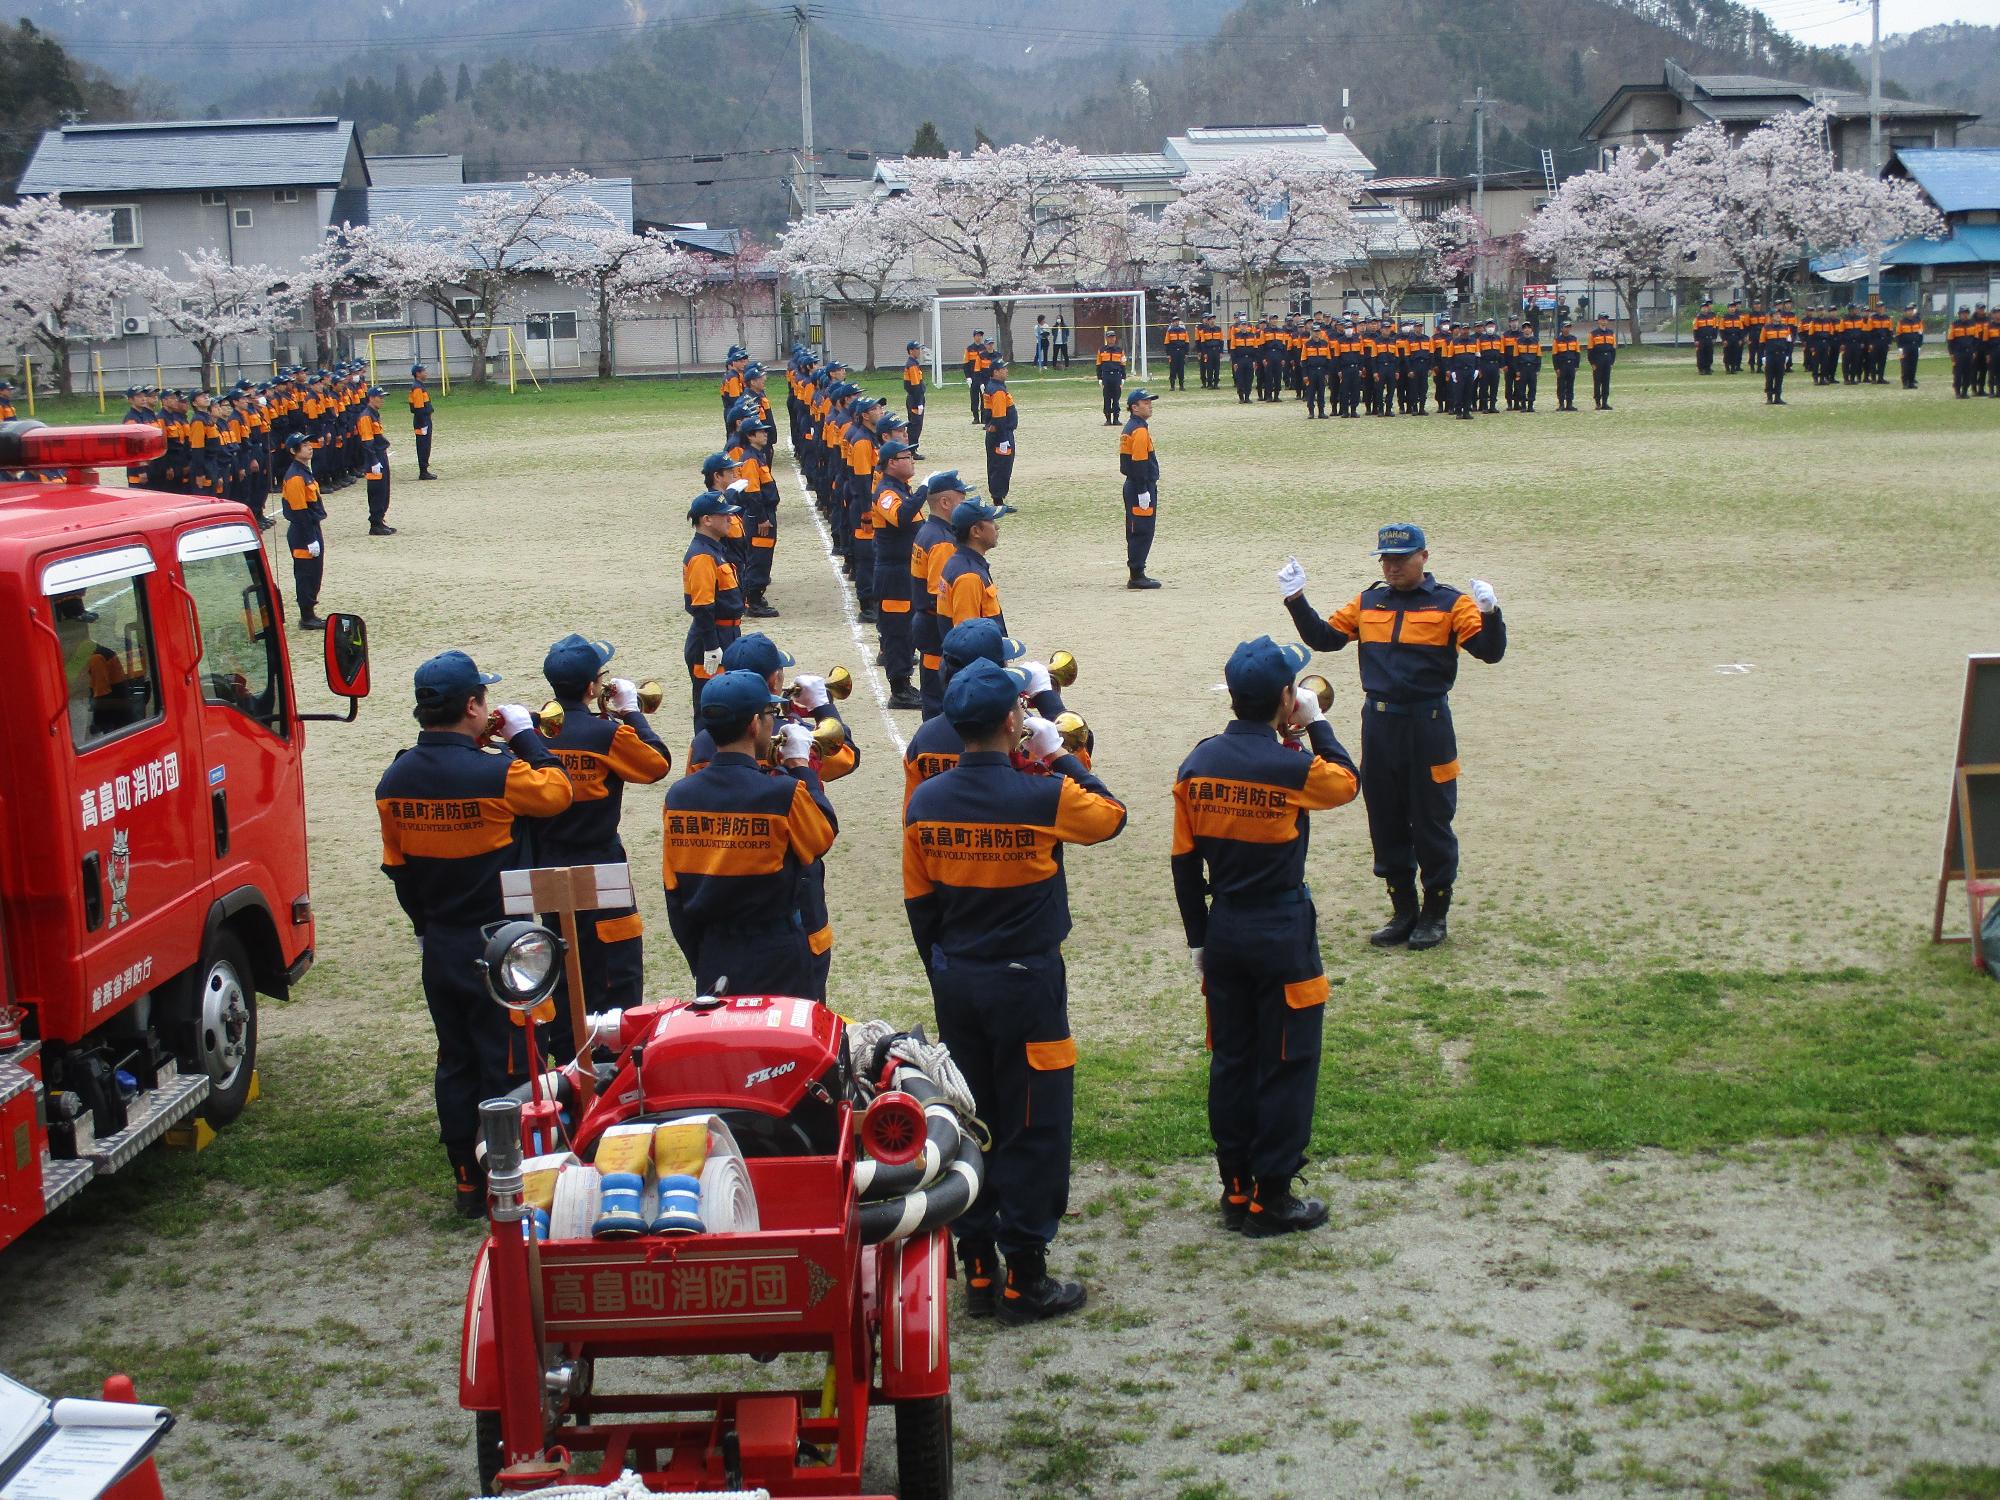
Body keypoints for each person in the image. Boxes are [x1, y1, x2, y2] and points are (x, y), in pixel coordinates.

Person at [903, 657, 1127, 1323]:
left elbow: (921, 907)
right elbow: (1112, 817)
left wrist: (945, 968)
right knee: (1035, 1122)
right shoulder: (1043, 794)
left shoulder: (924, 802)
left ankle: (976, 1266)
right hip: (1026, 980)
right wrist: (1059, 756)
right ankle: (1025, 1276)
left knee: (973, 1119)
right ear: (1012, 720)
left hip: (958, 978)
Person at [1172, 636, 1359, 1236]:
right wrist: (1319, 724)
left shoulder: (1197, 763)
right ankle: (1272, 1197)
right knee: (1287, 1060)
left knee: (1231, 1061)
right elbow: (1347, 784)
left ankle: (1235, 1187)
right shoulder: (1293, 765)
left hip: (1224, 927)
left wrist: (1200, 938)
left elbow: (1183, 863)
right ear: (1285, 697)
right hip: (1281, 930)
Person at [376, 650, 574, 1213]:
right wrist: (526, 738)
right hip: (503, 947)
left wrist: (426, 928)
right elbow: (558, 791)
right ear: (471, 706)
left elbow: (399, 870)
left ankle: (466, 1178)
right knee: (511, 1061)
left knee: (454, 1059)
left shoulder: (394, 778)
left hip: (439, 941)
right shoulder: (497, 772)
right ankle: (510, 1181)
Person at [1279, 524, 1507, 951]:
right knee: (1384, 819)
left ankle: (1435, 913)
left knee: (1431, 821)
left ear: (1425, 556)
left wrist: (1491, 613)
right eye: (1385, 559)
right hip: (1380, 726)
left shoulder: (1452, 604)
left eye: (1401, 558)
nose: (1393, 566)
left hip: (1428, 727)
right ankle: (1403, 910)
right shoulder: (1369, 601)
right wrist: (1296, 599)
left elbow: (1489, 652)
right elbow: (1326, 639)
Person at [663, 669, 836, 997]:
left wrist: (702, 958)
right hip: (777, 952)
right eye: (770, 714)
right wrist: (800, 766)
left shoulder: (678, 797)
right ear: (755, 724)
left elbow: (674, 892)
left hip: (714, 951)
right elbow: (822, 835)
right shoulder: (782, 793)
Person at [534, 634, 671, 1028]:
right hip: (600, 863)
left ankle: (566, 1049)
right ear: (592, 687)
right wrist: (631, 712)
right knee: (615, 968)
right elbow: (657, 763)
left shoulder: (532, 730)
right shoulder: (606, 733)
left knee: (561, 962)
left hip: (545, 863)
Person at [870, 437, 928, 709]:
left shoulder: (901, 489)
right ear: (891, 463)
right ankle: (898, 688)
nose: (912, 460)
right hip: (893, 574)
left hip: (905, 572)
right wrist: (923, 492)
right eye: (907, 457)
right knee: (896, 631)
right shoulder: (886, 492)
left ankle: (905, 681)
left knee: (908, 629)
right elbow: (901, 517)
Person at [682, 490, 745, 726]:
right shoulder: (702, 556)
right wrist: (711, 646)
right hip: (712, 637)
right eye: (724, 515)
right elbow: (702, 606)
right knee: (710, 707)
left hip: (725, 634)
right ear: (707, 520)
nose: (730, 519)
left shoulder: (714, 549)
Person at [911, 471, 968, 718]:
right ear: (945, 503)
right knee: (938, 699)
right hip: (937, 628)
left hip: (926, 623)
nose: (965, 505)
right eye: (961, 499)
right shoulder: (943, 541)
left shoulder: (929, 531)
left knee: (932, 693)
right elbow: (939, 594)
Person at [938, 497, 1013, 633]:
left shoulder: (960, 562)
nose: (997, 526)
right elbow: (968, 638)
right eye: (991, 521)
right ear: (975, 532)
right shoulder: (969, 577)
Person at [278, 430, 327, 632]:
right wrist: (310, 539)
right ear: (293, 450)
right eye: (304, 445)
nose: (309, 447)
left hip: (311, 527)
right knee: (306, 574)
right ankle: (306, 616)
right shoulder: (296, 477)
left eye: (309, 444)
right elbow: (299, 512)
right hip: (303, 531)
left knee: (315, 573)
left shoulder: (304, 471)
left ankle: (310, 612)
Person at [1119, 388, 1162, 591]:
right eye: (1145, 402)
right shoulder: (1139, 430)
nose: (1149, 405)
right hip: (1139, 487)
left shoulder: (1134, 427)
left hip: (1134, 485)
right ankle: (1137, 574)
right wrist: (1143, 489)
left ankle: (1137, 572)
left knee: (1138, 529)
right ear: (1134, 408)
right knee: (1142, 531)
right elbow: (1139, 462)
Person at [982, 357, 1017, 504]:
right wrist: (1003, 439)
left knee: (998, 466)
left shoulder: (995, 386)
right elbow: (999, 416)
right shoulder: (997, 390)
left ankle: (998, 498)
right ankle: (998, 500)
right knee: (1001, 467)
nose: (1006, 371)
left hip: (997, 433)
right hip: (1001, 434)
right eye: (1003, 369)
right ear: (995, 372)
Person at [1761, 302, 1796, 405]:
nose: (1778, 316)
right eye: (1776, 315)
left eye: (1779, 315)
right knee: (1769, 377)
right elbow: (1762, 343)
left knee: (1780, 376)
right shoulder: (1766, 328)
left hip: (1781, 355)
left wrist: (1788, 355)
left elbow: (1789, 342)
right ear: (1771, 317)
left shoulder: (1785, 328)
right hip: (1770, 355)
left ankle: (1778, 397)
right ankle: (1769, 397)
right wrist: (1763, 357)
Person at [408, 363, 437, 480]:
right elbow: (419, 408)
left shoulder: (419, 386)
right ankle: (423, 471)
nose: (426, 373)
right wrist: (423, 424)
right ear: (418, 374)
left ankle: (425, 470)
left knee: (426, 445)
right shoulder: (417, 388)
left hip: (424, 420)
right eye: (423, 371)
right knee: (423, 446)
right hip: (422, 421)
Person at [1095, 332, 1126, 426]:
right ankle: (1108, 419)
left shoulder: (1120, 350)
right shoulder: (1101, 350)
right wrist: (1099, 378)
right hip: (1106, 376)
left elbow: (1123, 365)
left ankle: (1116, 419)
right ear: (1106, 338)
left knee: (1116, 398)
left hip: (1116, 376)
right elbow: (1098, 365)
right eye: (1109, 337)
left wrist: (1123, 377)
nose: (1111, 339)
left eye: (1113, 337)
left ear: (1115, 338)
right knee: (1107, 398)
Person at [902, 339, 927, 452]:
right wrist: (919, 403)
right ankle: (912, 449)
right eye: (917, 349)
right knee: (915, 426)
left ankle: (912, 448)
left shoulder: (914, 364)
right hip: (915, 399)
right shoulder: (912, 365)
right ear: (911, 351)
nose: (919, 351)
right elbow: (916, 385)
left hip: (914, 398)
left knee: (915, 424)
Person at [1587, 314, 1617, 410]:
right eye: (1602, 319)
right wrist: (1592, 363)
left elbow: (1613, 349)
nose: (1604, 321)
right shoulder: (1593, 334)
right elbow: (1590, 350)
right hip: (1598, 359)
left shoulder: (1611, 333)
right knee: (1597, 382)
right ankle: (1597, 403)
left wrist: (1612, 362)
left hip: (1607, 358)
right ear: (1598, 321)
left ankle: (1605, 402)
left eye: (1605, 319)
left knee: (1606, 381)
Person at [1896, 306, 1924, 389]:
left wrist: (1919, 345)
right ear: (1905, 312)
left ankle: (1911, 382)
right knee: (1904, 365)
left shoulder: (1918, 321)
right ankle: (1905, 383)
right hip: (1905, 346)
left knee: (1913, 364)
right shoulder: (1901, 322)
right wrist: (1900, 347)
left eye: (1911, 310)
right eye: (1908, 311)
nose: (1910, 312)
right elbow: (1898, 335)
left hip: (1915, 346)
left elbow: (1921, 334)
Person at [1195, 312, 1224, 389]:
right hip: (1208, 351)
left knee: (1217, 368)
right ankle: (1210, 384)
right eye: (1210, 319)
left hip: (1216, 351)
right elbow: (1203, 343)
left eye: (1213, 319)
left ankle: (1216, 383)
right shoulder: (1204, 330)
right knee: (1209, 368)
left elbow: (1221, 341)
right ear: (1208, 321)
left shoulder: (1218, 329)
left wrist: (1221, 352)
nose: (1212, 320)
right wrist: (1204, 353)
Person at [1693, 299, 1719, 375]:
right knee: (1701, 354)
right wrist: (1696, 340)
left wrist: (1714, 337)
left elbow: (1715, 328)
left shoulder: (1712, 317)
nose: (1705, 309)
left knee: (1709, 354)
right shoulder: (1698, 317)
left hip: (1710, 338)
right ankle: (1701, 369)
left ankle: (1708, 368)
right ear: (1701, 309)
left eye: (1706, 307)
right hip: (1701, 339)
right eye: (1703, 307)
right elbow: (1695, 329)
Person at [1163, 315, 1189, 391]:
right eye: (1175, 321)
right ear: (1172, 323)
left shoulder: (1184, 331)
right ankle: (1172, 386)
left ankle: (1181, 386)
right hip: (1173, 352)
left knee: (1181, 369)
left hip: (1181, 352)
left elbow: (1187, 342)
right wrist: (1168, 354)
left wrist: (1186, 353)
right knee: (1173, 369)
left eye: (1177, 321)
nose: (1176, 322)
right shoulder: (1169, 332)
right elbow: (1167, 343)